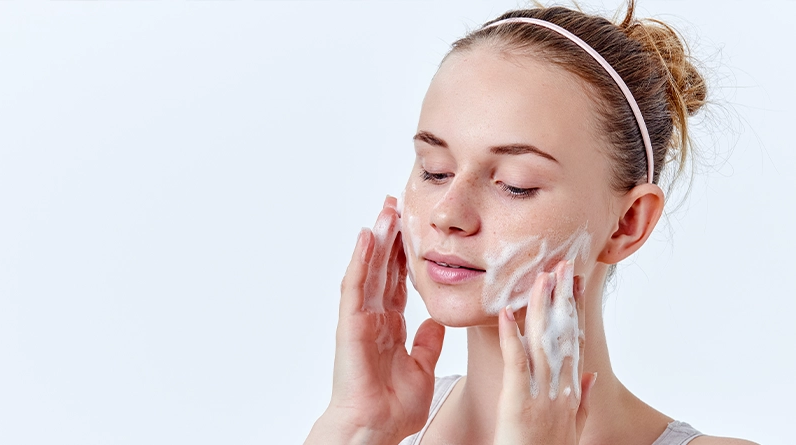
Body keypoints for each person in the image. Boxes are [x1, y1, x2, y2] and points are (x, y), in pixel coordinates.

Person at [303, 2, 757, 444]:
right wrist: (357, 429)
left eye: (515, 185)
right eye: (435, 170)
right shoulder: (375, 428)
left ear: (628, 223)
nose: (447, 213)